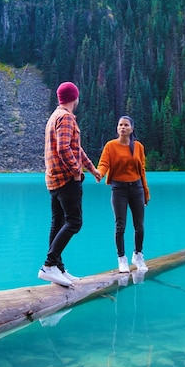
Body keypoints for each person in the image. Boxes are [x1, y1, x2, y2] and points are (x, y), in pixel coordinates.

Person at [39, 82, 101, 287]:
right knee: (74, 222)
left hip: (53, 179)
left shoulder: (54, 117)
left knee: (57, 223)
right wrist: (77, 172)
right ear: (74, 97)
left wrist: (91, 169)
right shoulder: (65, 117)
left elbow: (76, 148)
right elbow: (64, 148)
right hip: (66, 179)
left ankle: (58, 268)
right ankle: (48, 266)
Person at [97, 116, 150, 274]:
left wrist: (145, 192)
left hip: (137, 188)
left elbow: (142, 170)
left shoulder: (138, 147)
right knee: (120, 226)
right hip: (118, 190)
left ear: (131, 128)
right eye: (120, 125)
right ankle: (122, 259)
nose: (123, 127)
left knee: (139, 226)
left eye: (126, 125)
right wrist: (99, 173)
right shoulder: (110, 146)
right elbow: (104, 163)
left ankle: (138, 255)